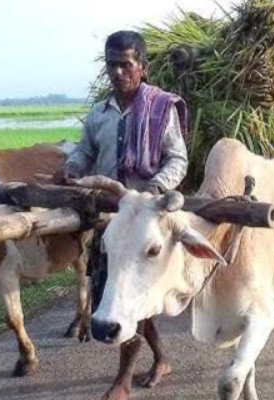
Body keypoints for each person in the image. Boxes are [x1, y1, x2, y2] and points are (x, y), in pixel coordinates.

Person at [56, 30, 189, 400]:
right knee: (118, 292)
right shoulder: (99, 113)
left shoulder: (162, 107)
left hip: (145, 218)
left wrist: (152, 192)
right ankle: (161, 358)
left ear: (142, 67)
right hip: (109, 221)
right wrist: (72, 168)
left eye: (125, 64)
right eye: (111, 64)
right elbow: (84, 152)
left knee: (125, 296)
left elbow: (178, 160)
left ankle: (123, 381)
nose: (117, 72)